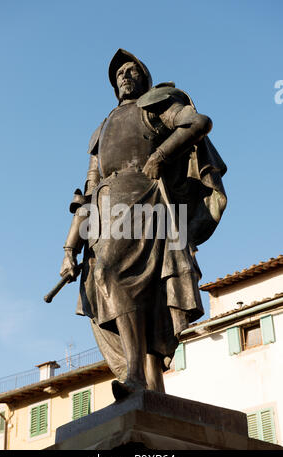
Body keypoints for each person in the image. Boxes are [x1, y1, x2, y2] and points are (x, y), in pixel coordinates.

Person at [59, 49, 227, 400]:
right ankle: (152, 387)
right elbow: (88, 193)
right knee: (110, 289)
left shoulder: (156, 103)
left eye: (132, 70)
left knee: (109, 272)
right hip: (104, 212)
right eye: (119, 73)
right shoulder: (101, 130)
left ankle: (134, 375)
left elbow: (198, 123)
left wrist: (160, 155)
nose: (124, 76)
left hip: (144, 198)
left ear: (145, 78)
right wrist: (69, 249)